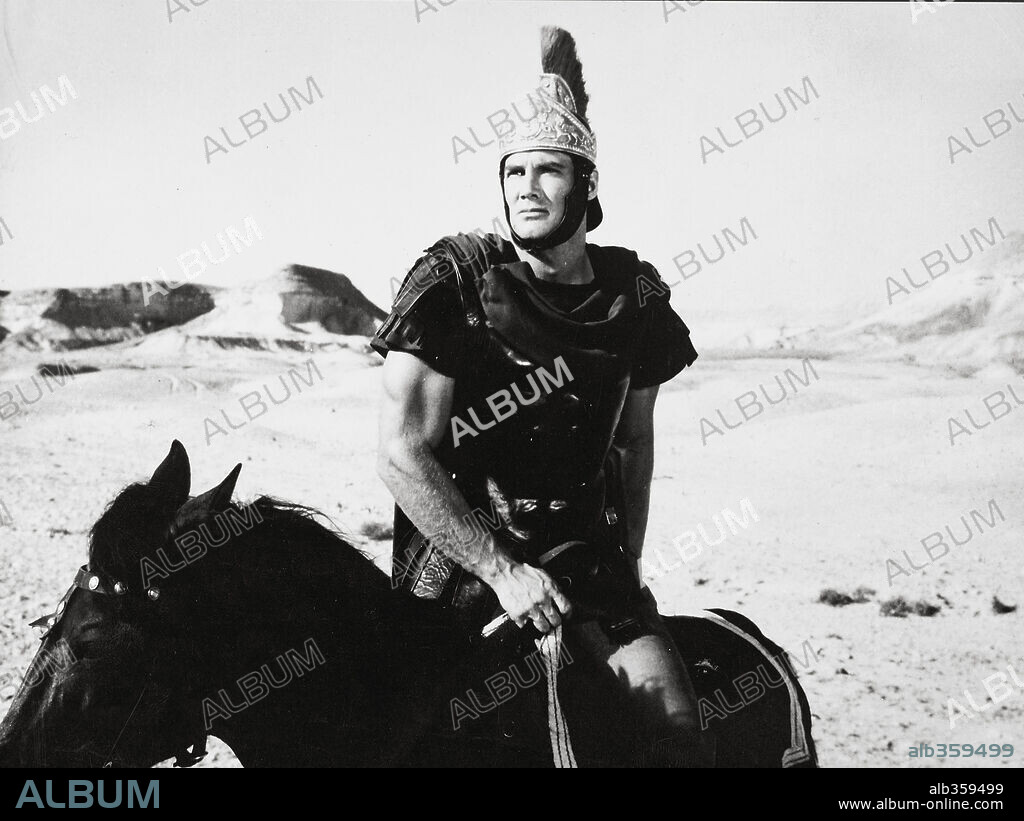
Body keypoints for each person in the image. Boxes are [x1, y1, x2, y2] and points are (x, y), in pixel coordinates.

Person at [371, 26, 714, 767]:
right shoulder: (453, 283)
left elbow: (633, 442)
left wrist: (626, 565)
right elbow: (401, 449)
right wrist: (501, 570)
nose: (525, 186)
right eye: (512, 170)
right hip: (458, 570)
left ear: (587, 185)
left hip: (587, 568)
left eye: (547, 170)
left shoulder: (634, 296)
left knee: (677, 736)